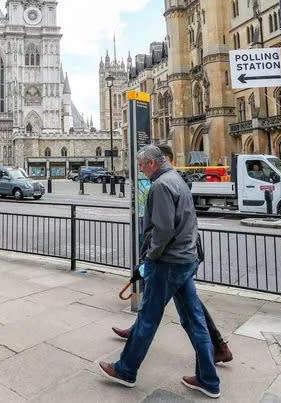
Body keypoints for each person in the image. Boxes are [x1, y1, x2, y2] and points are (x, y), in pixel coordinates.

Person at [100, 145, 220, 398]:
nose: (141, 170)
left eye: (142, 166)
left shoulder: (161, 186)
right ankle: (209, 379)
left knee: (147, 318)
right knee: (195, 320)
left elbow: (163, 230)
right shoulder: (176, 178)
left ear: (152, 163)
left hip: (168, 263)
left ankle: (126, 370)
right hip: (185, 259)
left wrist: (150, 258)